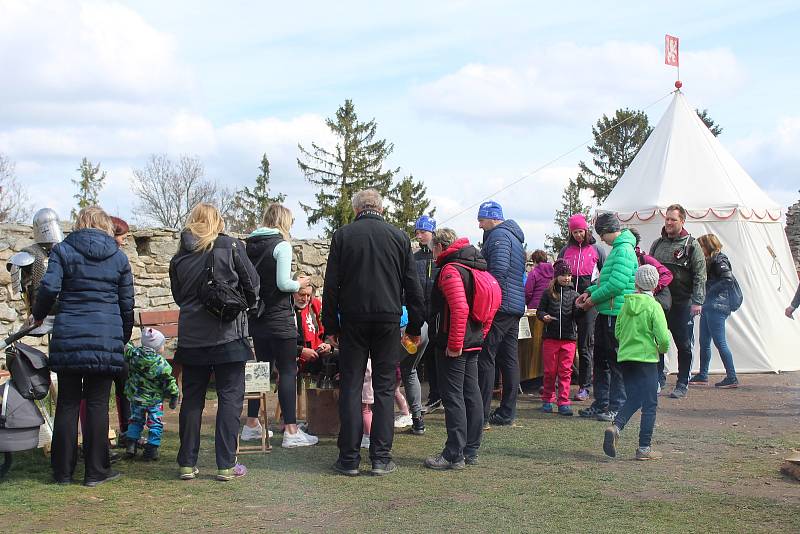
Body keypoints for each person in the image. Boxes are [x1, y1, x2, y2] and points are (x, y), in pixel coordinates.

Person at [322, 189, 424, 477]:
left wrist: (330, 326)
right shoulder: (399, 237)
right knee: (383, 389)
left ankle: (349, 459)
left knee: (352, 387)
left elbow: (331, 285)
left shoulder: (343, 236)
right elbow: (412, 286)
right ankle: (380, 457)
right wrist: (415, 326)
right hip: (388, 320)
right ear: (381, 208)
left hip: (353, 320)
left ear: (356, 210)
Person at [30, 206, 134, 487]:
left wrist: (38, 314)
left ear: (79, 224)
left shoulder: (63, 251)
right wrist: (121, 338)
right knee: (99, 405)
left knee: (67, 403)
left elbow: (48, 289)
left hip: (69, 335)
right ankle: (95, 472)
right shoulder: (118, 257)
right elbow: (127, 305)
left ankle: (62, 472)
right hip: (105, 336)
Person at [169, 203, 259, 482]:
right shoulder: (230, 246)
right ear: (217, 221)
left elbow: (178, 296)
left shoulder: (180, 257)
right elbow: (252, 285)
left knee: (192, 399)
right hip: (228, 334)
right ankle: (225, 464)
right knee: (230, 398)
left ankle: (186, 463)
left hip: (192, 337)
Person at [242, 203, 318, 448]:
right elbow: (284, 284)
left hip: (257, 317)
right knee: (287, 370)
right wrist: (301, 283)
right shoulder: (281, 245)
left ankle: (251, 425)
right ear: (284, 222)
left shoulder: (250, 245)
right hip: (278, 315)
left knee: (261, 369)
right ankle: (291, 431)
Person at [424, 229, 491, 470]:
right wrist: (480, 334)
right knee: (471, 394)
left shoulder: (451, 270)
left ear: (440, 246)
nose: (432, 254)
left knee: (453, 397)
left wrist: (454, 344)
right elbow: (494, 299)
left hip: (455, 344)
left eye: (432, 248)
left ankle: (454, 453)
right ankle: (470, 449)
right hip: (472, 341)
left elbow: (459, 309)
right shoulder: (476, 266)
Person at [603, 264, 671, 461]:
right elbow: (663, 337)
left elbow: (617, 331)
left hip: (626, 359)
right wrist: (661, 349)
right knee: (650, 404)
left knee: (635, 398)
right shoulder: (654, 306)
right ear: (656, 284)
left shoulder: (626, 304)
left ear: (636, 282)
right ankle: (644, 448)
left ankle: (616, 427)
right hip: (646, 360)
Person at [576, 213, 637, 422]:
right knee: (601, 360)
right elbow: (606, 280)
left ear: (609, 230)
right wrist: (590, 291)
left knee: (615, 362)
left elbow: (616, 285)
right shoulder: (617, 250)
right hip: (607, 312)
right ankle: (601, 402)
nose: (601, 239)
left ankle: (617, 405)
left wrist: (592, 300)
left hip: (616, 313)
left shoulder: (624, 251)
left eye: (602, 234)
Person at [476, 201, 526, 427]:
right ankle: (507, 412)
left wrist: (487, 302)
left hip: (500, 305)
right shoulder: (515, 238)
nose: (479, 225)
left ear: (492, 218)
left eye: (481, 219)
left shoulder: (498, 237)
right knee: (509, 359)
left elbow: (497, 270)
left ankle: (482, 414)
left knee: (486, 356)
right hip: (515, 305)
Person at [649, 204, 707, 399]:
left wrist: (697, 301)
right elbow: (649, 270)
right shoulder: (657, 244)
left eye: (673, 219)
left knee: (683, 344)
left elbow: (700, 275)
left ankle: (682, 382)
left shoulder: (692, 245)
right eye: (667, 219)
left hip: (683, 303)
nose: (669, 223)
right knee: (656, 341)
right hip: (660, 302)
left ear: (682, 221)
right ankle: (658, 379)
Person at [558, 214, 606, 402]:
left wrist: (595, 296)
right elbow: (556, 274)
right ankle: (561, 383)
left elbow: (605, 274)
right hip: (568, 300)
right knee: (563, 342)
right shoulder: (565, 250)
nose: (578, 235)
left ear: (586, 230)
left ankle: (585, 386)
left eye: (581, 231)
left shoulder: (597, 249)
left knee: (585, 345)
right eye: (574, 232)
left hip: (589, 301)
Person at [628, 227, 673, 393]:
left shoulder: (644, 259)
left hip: (652, 304)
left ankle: (659, 378)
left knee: (654, 339)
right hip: (634, 305)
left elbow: (667, 275)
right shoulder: (620, 257)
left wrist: (651, 290)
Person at [123, 328, 179, 461]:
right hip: (154, 401)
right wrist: (174, 395)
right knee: (155, 423)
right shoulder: (162, 364)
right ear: (157, 348)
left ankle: (131, 444)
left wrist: (127, 339)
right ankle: (152, 449)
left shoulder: (134, 355)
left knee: (135, 420)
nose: (163, 347)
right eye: (162, 345)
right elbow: (169, 381)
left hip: (136, 398)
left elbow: (127, 347)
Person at [691, 234, 739, 388]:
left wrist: (709, 291)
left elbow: (727, 279)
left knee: (720, 342)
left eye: (701, 246)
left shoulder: (719, 260)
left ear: (708, 246)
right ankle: (703, 375)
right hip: (710, 306)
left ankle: (732, 377)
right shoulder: (712, 260)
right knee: (704, 341)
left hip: (717, 306)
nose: (699, 249)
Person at [536, 259, 581, 416]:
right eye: (563, 274)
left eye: (569, 275)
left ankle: (563, 402)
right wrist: (544, 316)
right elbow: (539, 311)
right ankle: (548, 399)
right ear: (556, 276)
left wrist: (581, 308)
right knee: (549, 371)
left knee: (565, 372)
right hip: (551, 338)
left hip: (569, 339)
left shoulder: (575, 295)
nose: (566, 278)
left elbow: (577, 316)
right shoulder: (548, 294)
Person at [414, 215, 442, 415]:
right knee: (423, 359)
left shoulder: (439, 257)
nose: (419, 235)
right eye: (417, 232)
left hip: (437, 313)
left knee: (436, 357)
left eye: (423, 232)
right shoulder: (414, 257)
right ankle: (431, 397)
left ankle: (438, 395)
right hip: (419, 313)